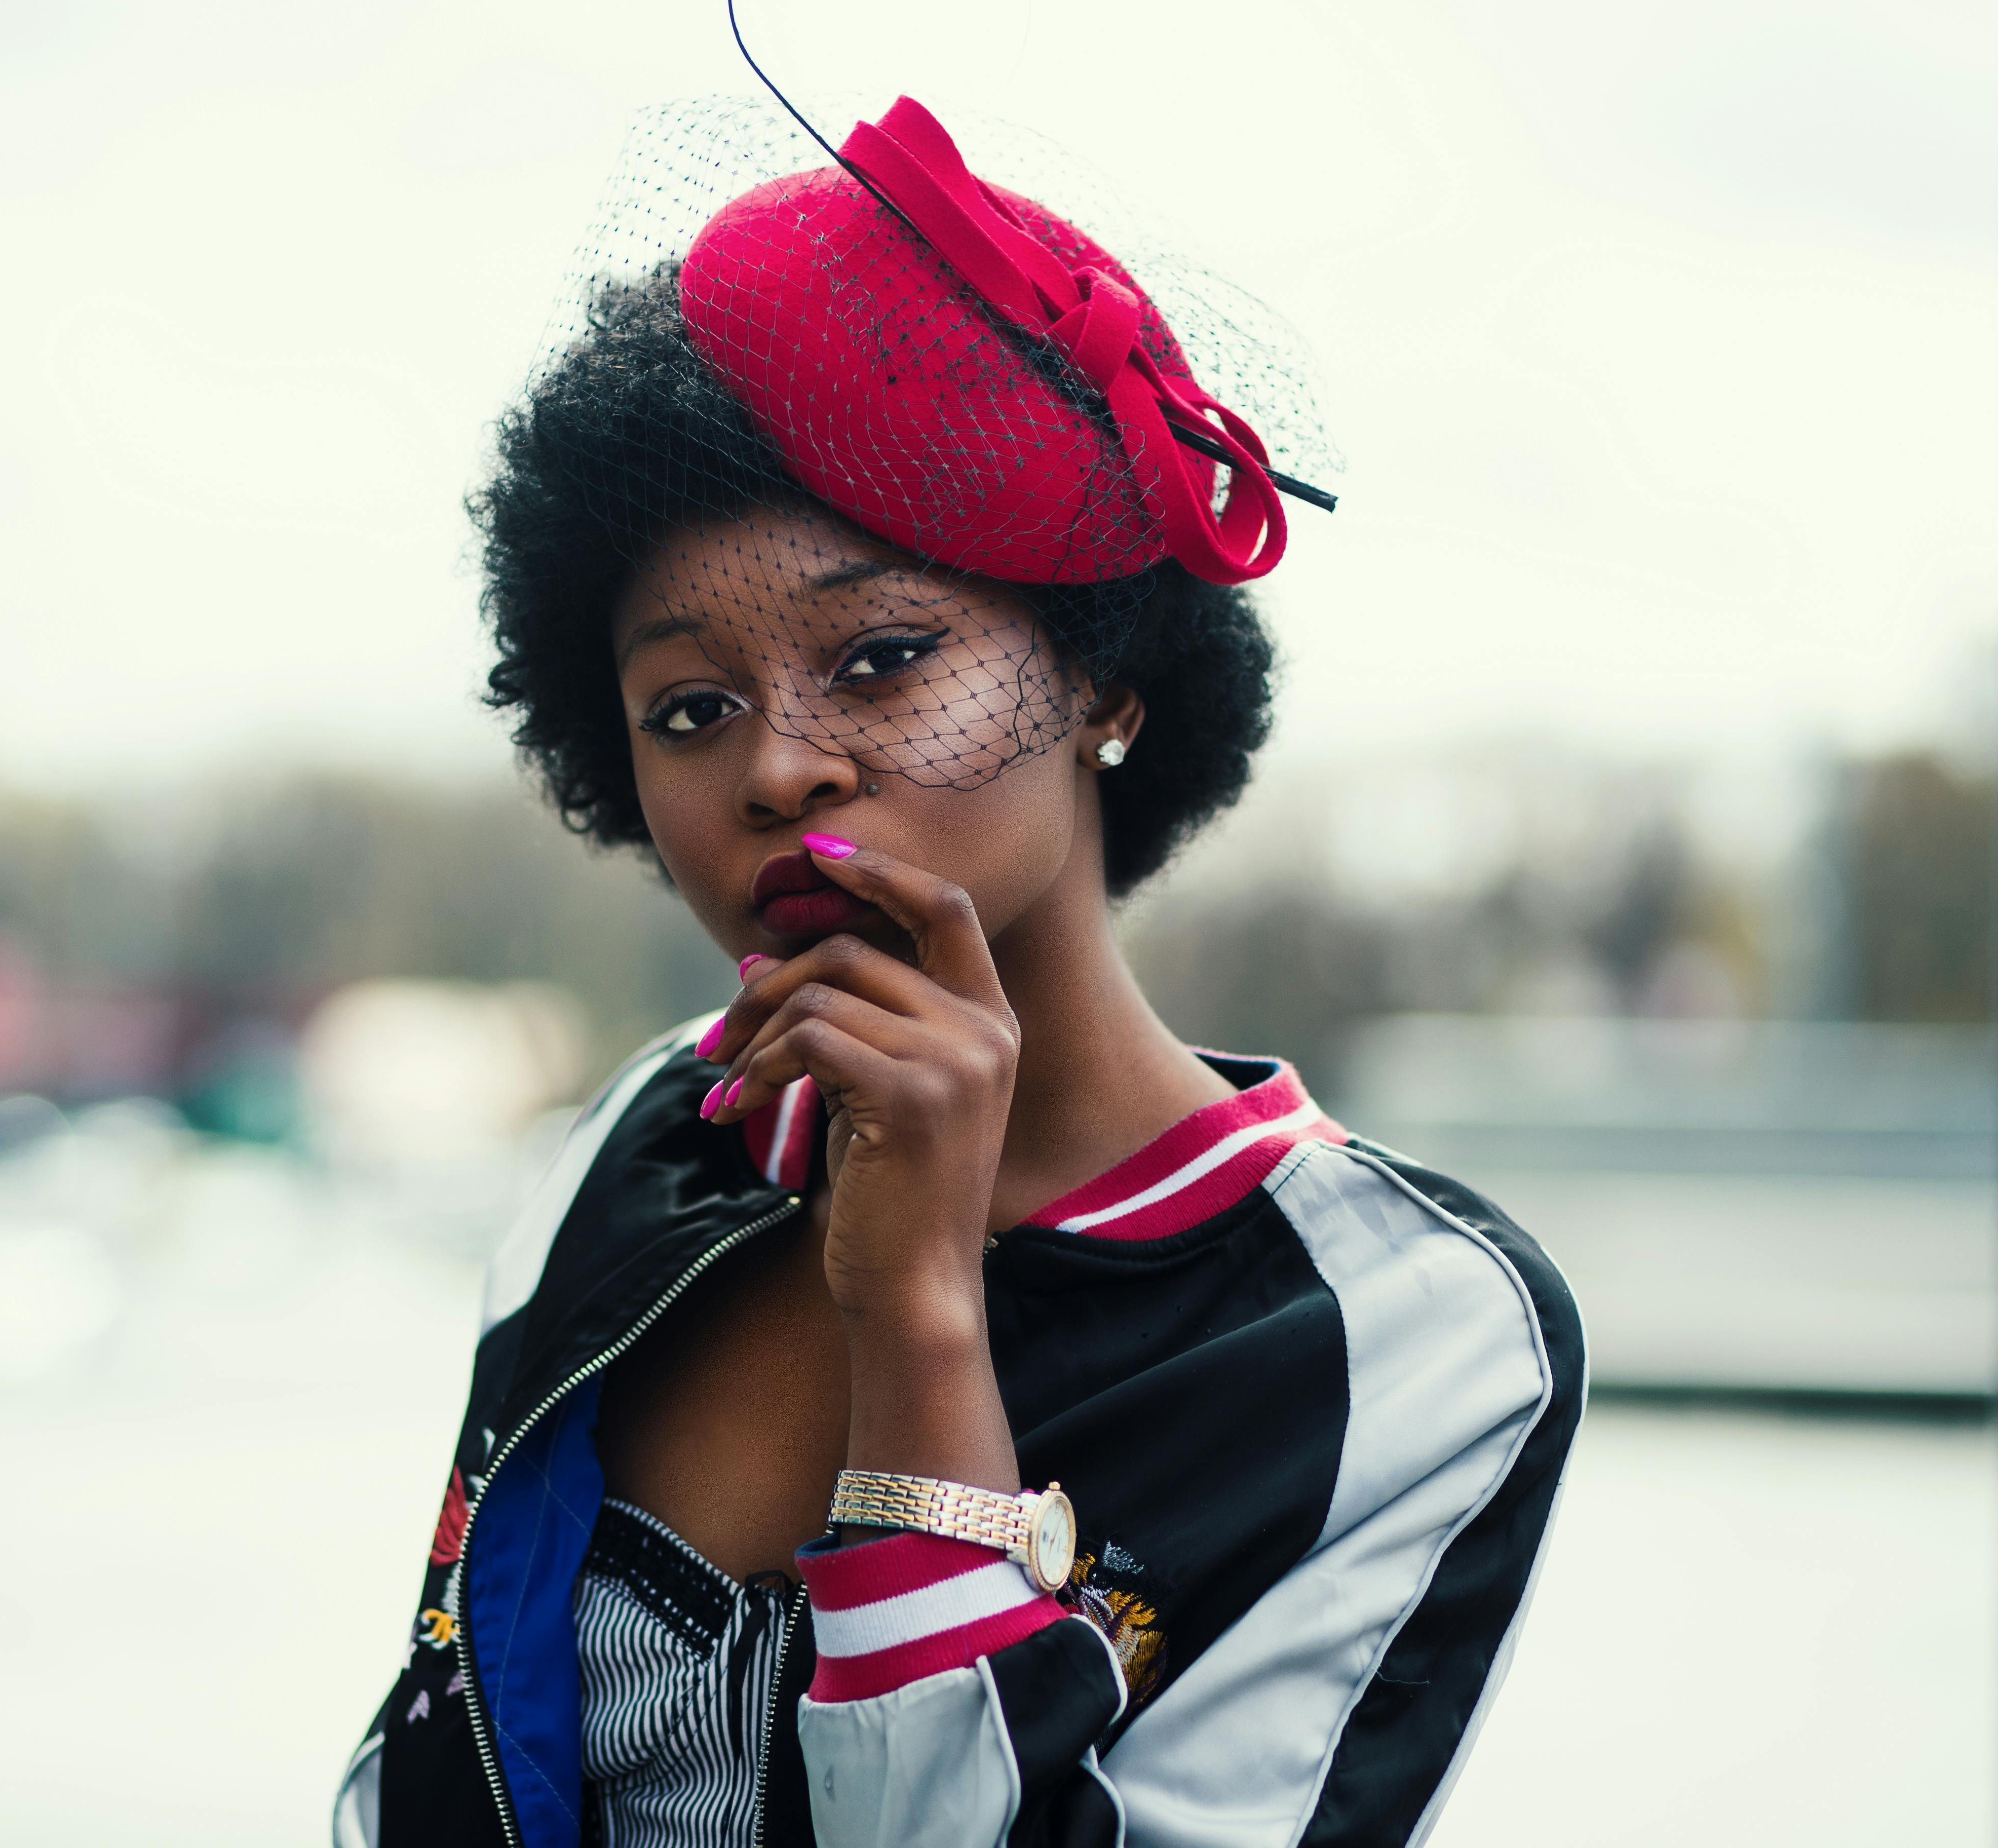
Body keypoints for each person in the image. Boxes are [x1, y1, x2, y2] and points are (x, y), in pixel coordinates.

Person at [337, 93, 1582, 1848]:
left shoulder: (1404, 1335)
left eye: (883, 656)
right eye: (690, 708)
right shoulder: (648, 1140)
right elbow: (429, 1770)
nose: (777, 769)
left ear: (1108, 676)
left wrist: (918, 1315)